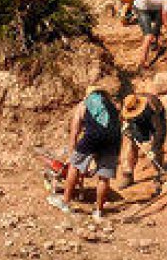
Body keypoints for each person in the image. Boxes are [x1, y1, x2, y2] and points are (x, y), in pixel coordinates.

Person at [47, 86, 123, 221]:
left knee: (74, 166)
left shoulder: (83, 105)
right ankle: (99, 211)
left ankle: (65, 202)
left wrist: (72, 154)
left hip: (92, 137)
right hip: (113, 140)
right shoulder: (112, 106)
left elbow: (75, 131)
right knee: (104, 177)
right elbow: (117, 127)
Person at [116, 92, 167, 189]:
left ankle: (159, 173)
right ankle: (128, 175)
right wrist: (125, 126)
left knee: (156, 148)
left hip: (153, 121)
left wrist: (154, 148)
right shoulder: (128, 103)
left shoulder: (153, 106)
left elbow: (159, 132)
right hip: (137, 122)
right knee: (130, 144)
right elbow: (122, 118)